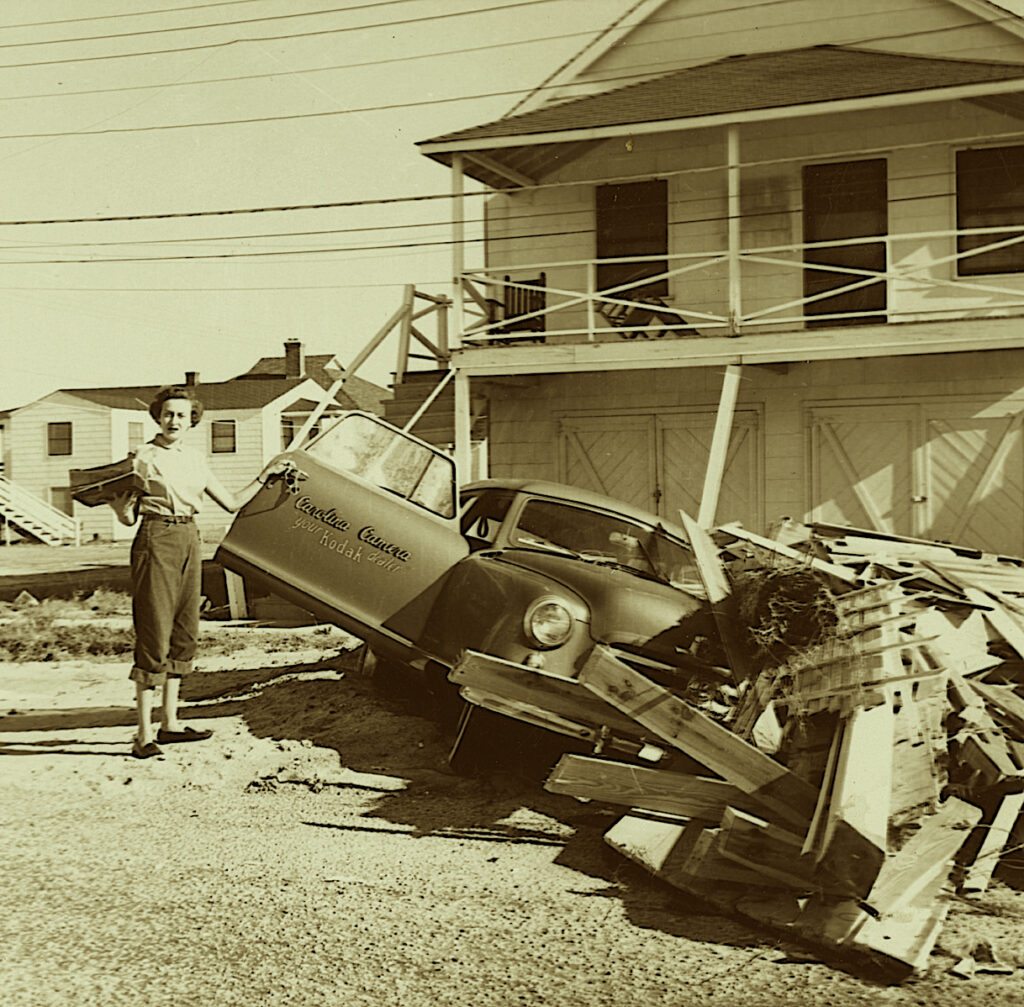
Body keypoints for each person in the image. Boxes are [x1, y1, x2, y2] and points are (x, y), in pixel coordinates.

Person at [111, 384, 293, 759]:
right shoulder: (141, 458)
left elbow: (230, 503)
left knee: (184, 630)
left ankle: (170, 724)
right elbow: (128, 516)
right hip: (154, 538)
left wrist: (268, 474)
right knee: (154, 632)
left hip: (189, 537)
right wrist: (117, 509)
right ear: (158, 417)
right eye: (168, 414)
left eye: (181, 414)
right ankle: (143, 735)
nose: (174, 420)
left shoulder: (195, 459)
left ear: (192, 420)